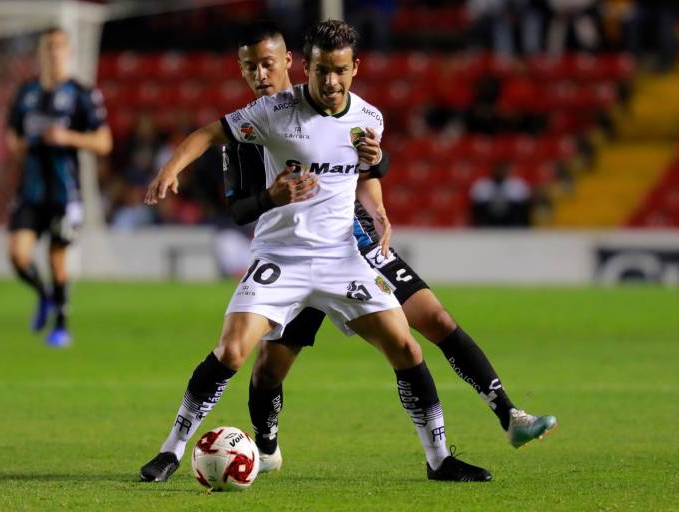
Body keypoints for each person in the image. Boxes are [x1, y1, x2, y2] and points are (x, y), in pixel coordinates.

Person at [140, 20, 492, 483]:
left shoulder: (368, 116)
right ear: (306, 67)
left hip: (342, 258)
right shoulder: (269, 112)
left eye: (339, 71)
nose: (330, 81)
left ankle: (440, 459)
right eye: (322, 70)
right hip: (280, 256)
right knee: (232, 350)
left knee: (406, 347)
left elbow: (369, 166)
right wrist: (171, 169)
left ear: (351, 69)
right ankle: (171, 450)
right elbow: (208, 135)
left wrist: (380, 206)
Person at [222, 21, 556, 475]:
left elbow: (367, 161)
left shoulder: (330, 97)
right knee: (268, 369)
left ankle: (509, 416)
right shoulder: (250, 129)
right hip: (296, 256)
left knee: (435, 321)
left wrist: (377, 205)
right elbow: (242, 202)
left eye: (267, 64)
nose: (261, 75)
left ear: (289, 64)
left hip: (354, 245)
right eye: (251, 68)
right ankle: (266, 443)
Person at [5, 27, 112, 347]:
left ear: (68, 52)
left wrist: (67, 138)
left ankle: (61, 326)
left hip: (65, 192)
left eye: (59, 47)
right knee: (18, 254)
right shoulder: (26, 92)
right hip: (30, 189)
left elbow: (104, 142)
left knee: (57, 258)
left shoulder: (82, 93)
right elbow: (11, 133)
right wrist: (19, 145)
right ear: (40, 52)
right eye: (47, 47)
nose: (53, 52)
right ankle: (44, 295)